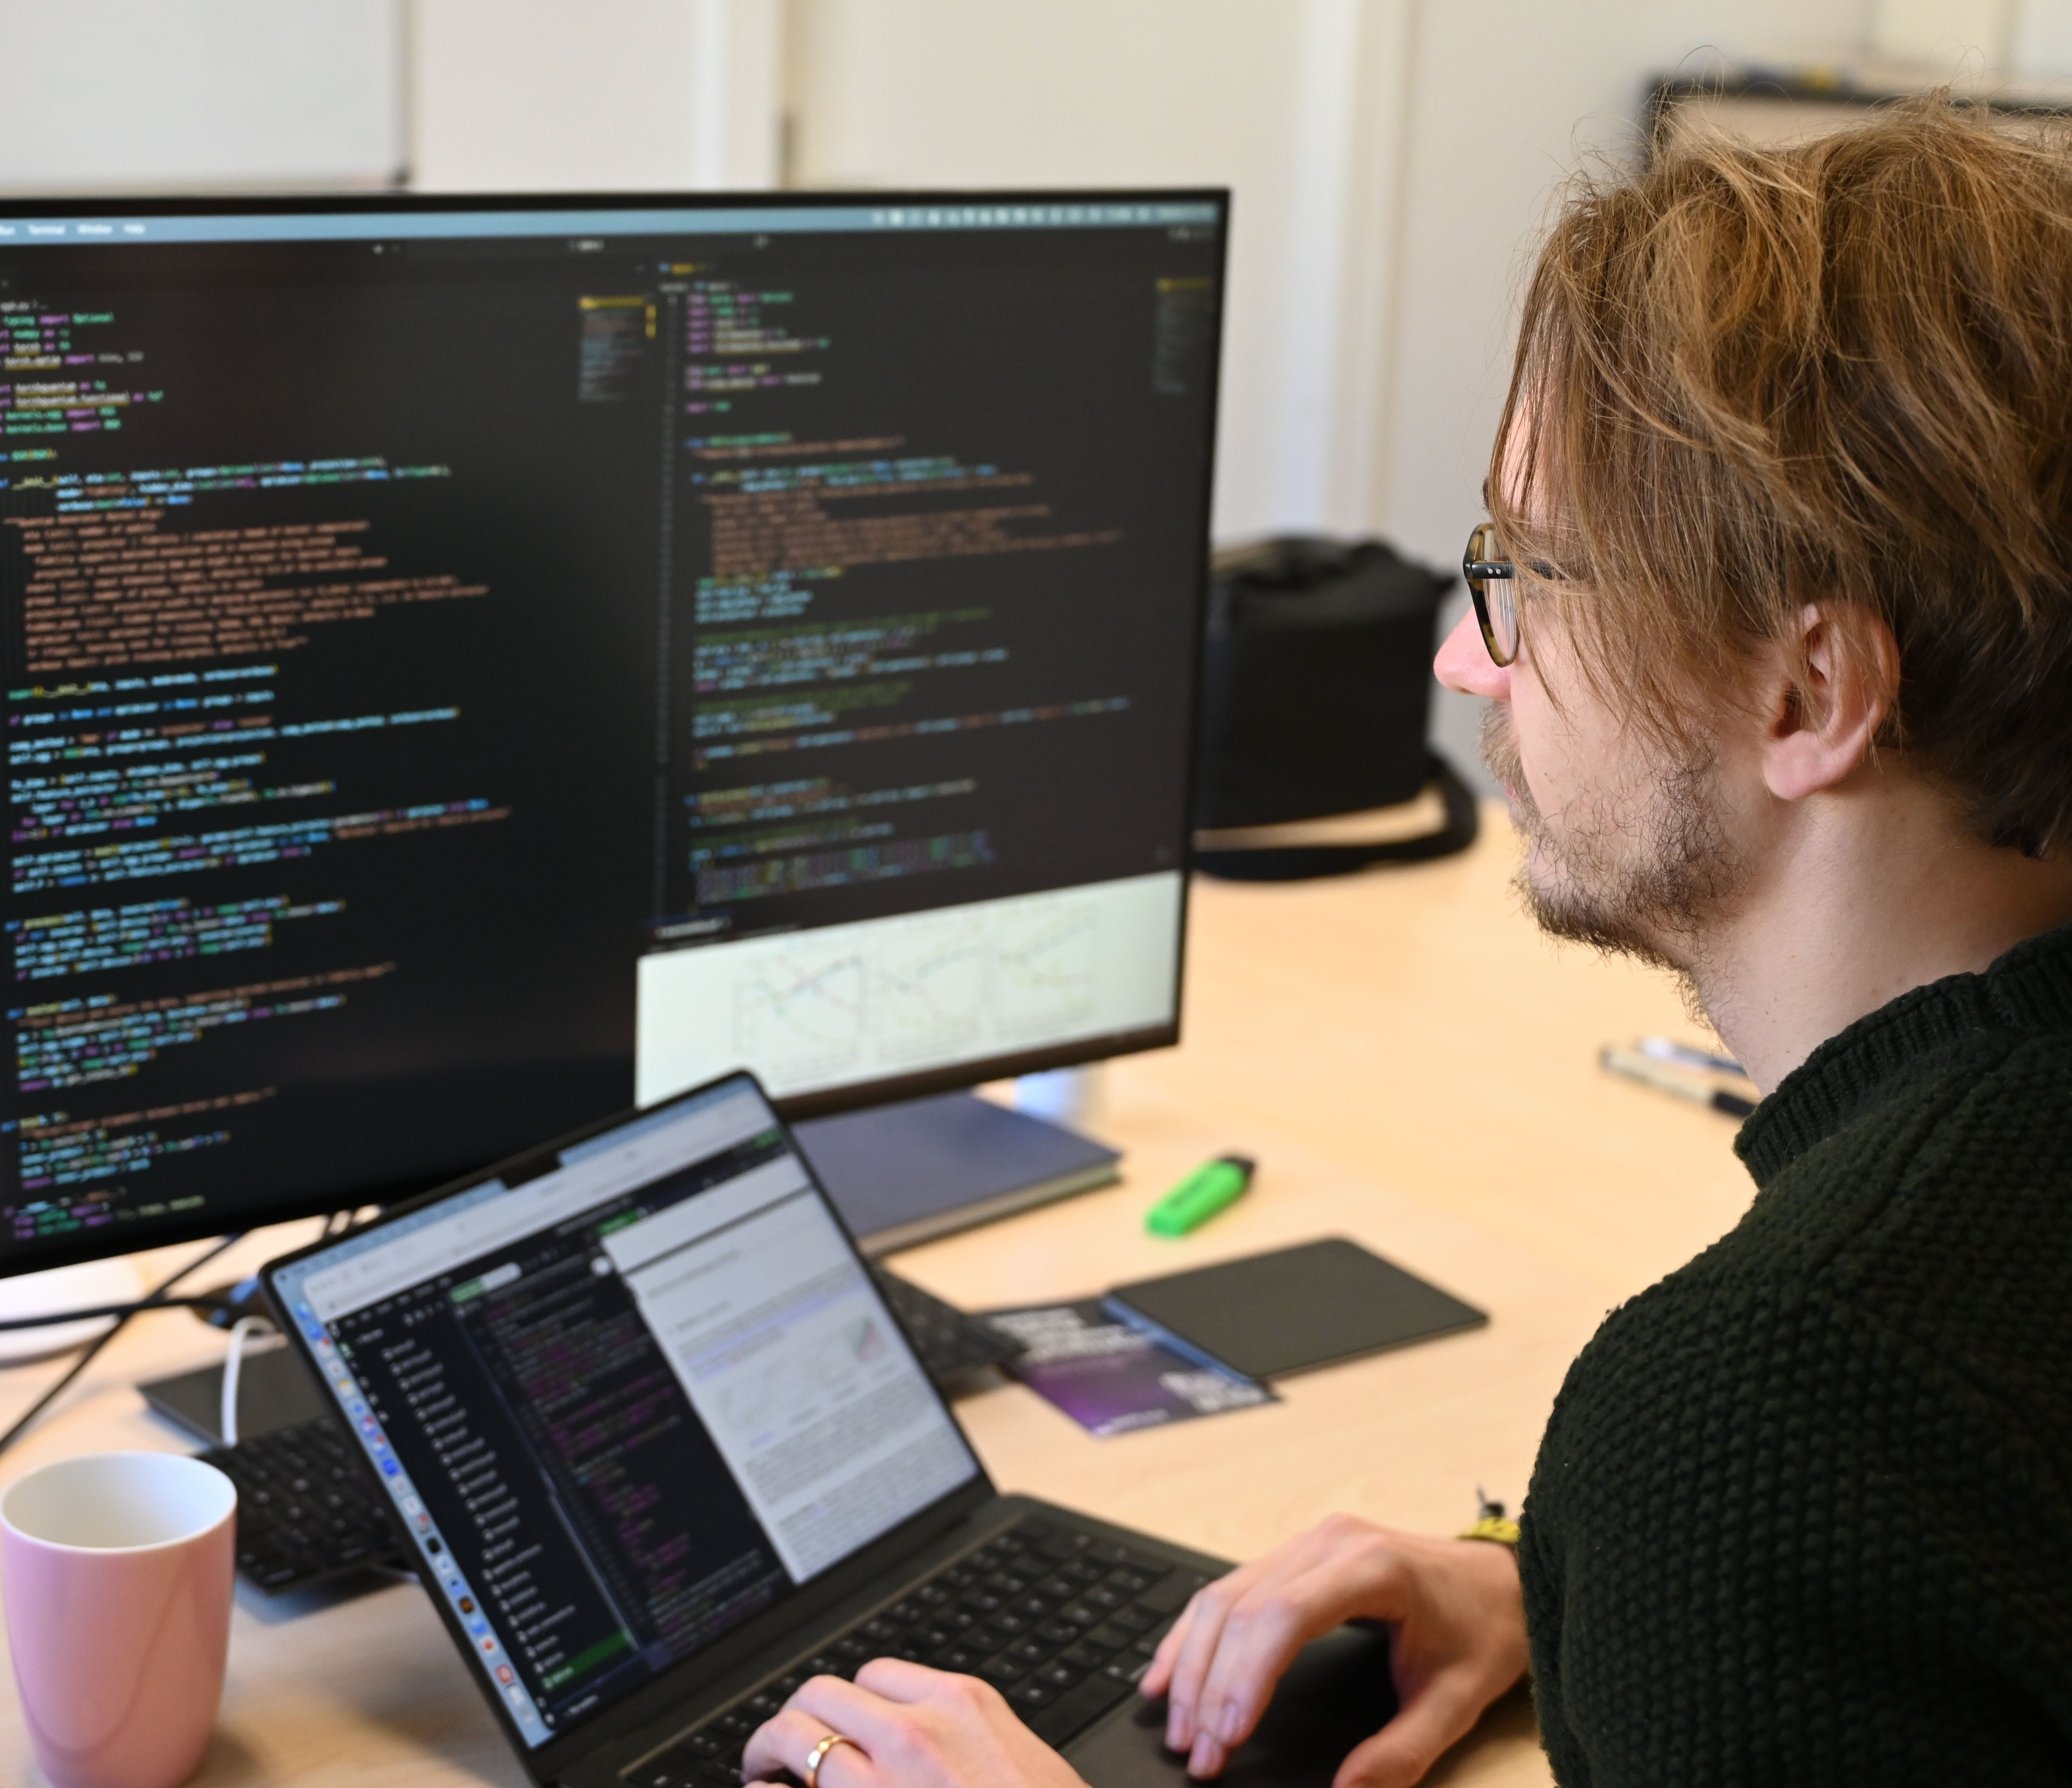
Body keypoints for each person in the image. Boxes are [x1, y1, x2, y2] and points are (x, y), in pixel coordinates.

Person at [739, 98, 2072, 1788]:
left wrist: (1698, 1566)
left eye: (1525, 572)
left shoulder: (1779, 1407)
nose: (1464, 661)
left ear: (1811, 690)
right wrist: (1574, 1593)